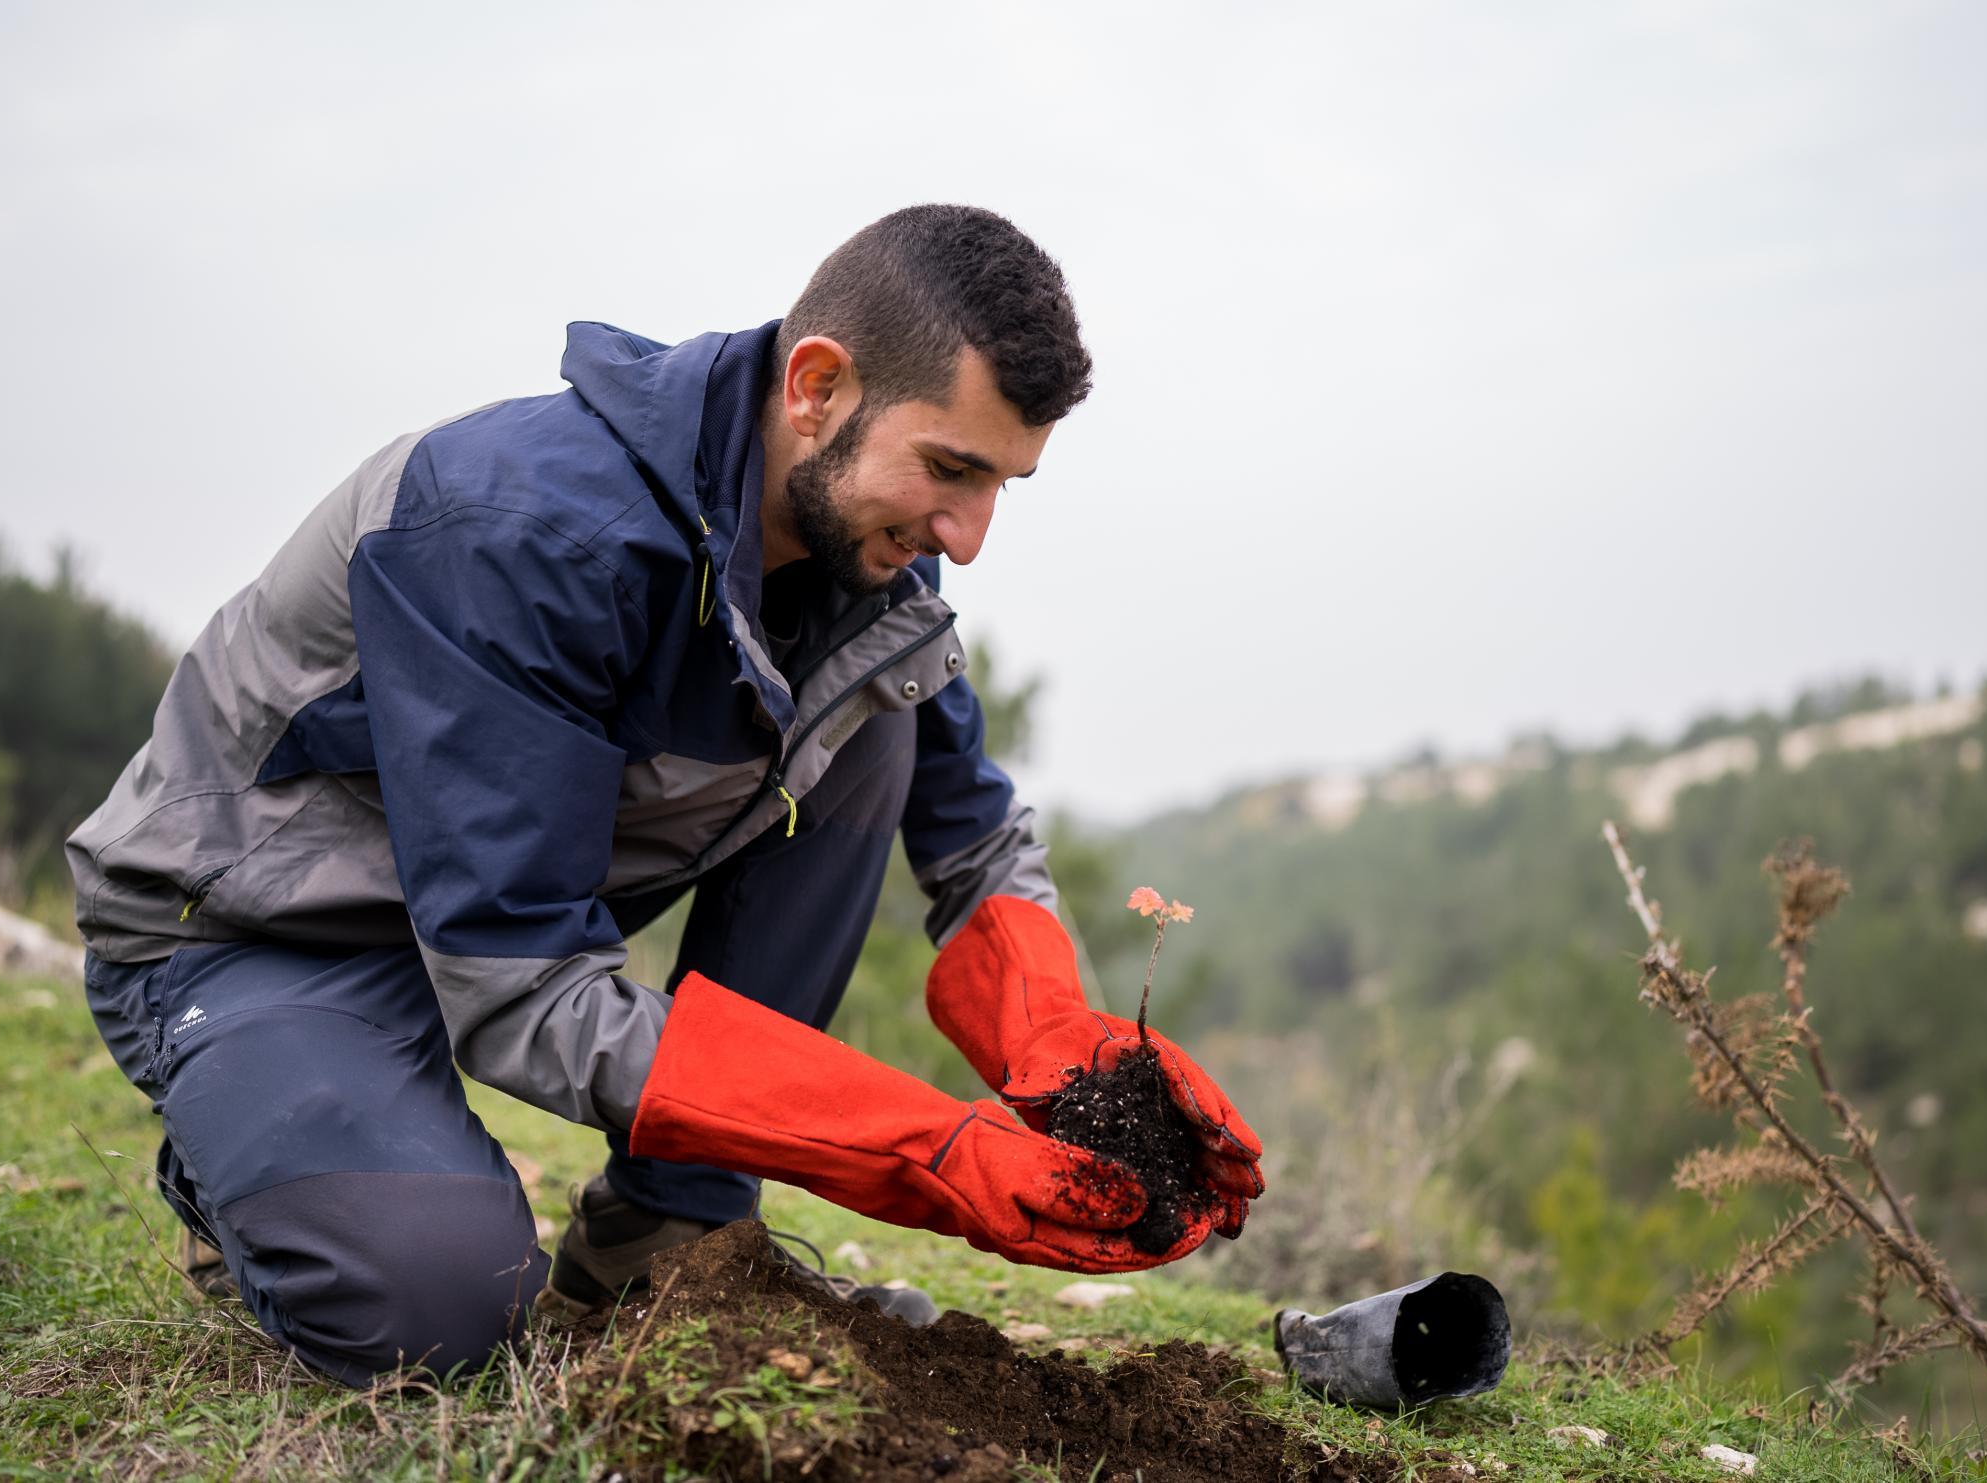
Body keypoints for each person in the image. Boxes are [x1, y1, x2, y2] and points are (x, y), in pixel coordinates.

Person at [66, 204, 1264, 1387]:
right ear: (816, 388)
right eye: (951, 469)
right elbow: (522, 987)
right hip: (254, 936)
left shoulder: (870, 555)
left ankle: (668, 1234)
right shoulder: (523, 531)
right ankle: (241, 1160)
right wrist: (925, 1147)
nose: (970, 532)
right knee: (437, 1310)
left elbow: (971, 830)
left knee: (874, 729)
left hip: (487, 923)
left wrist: (1062, 1044)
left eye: (1004, 483)